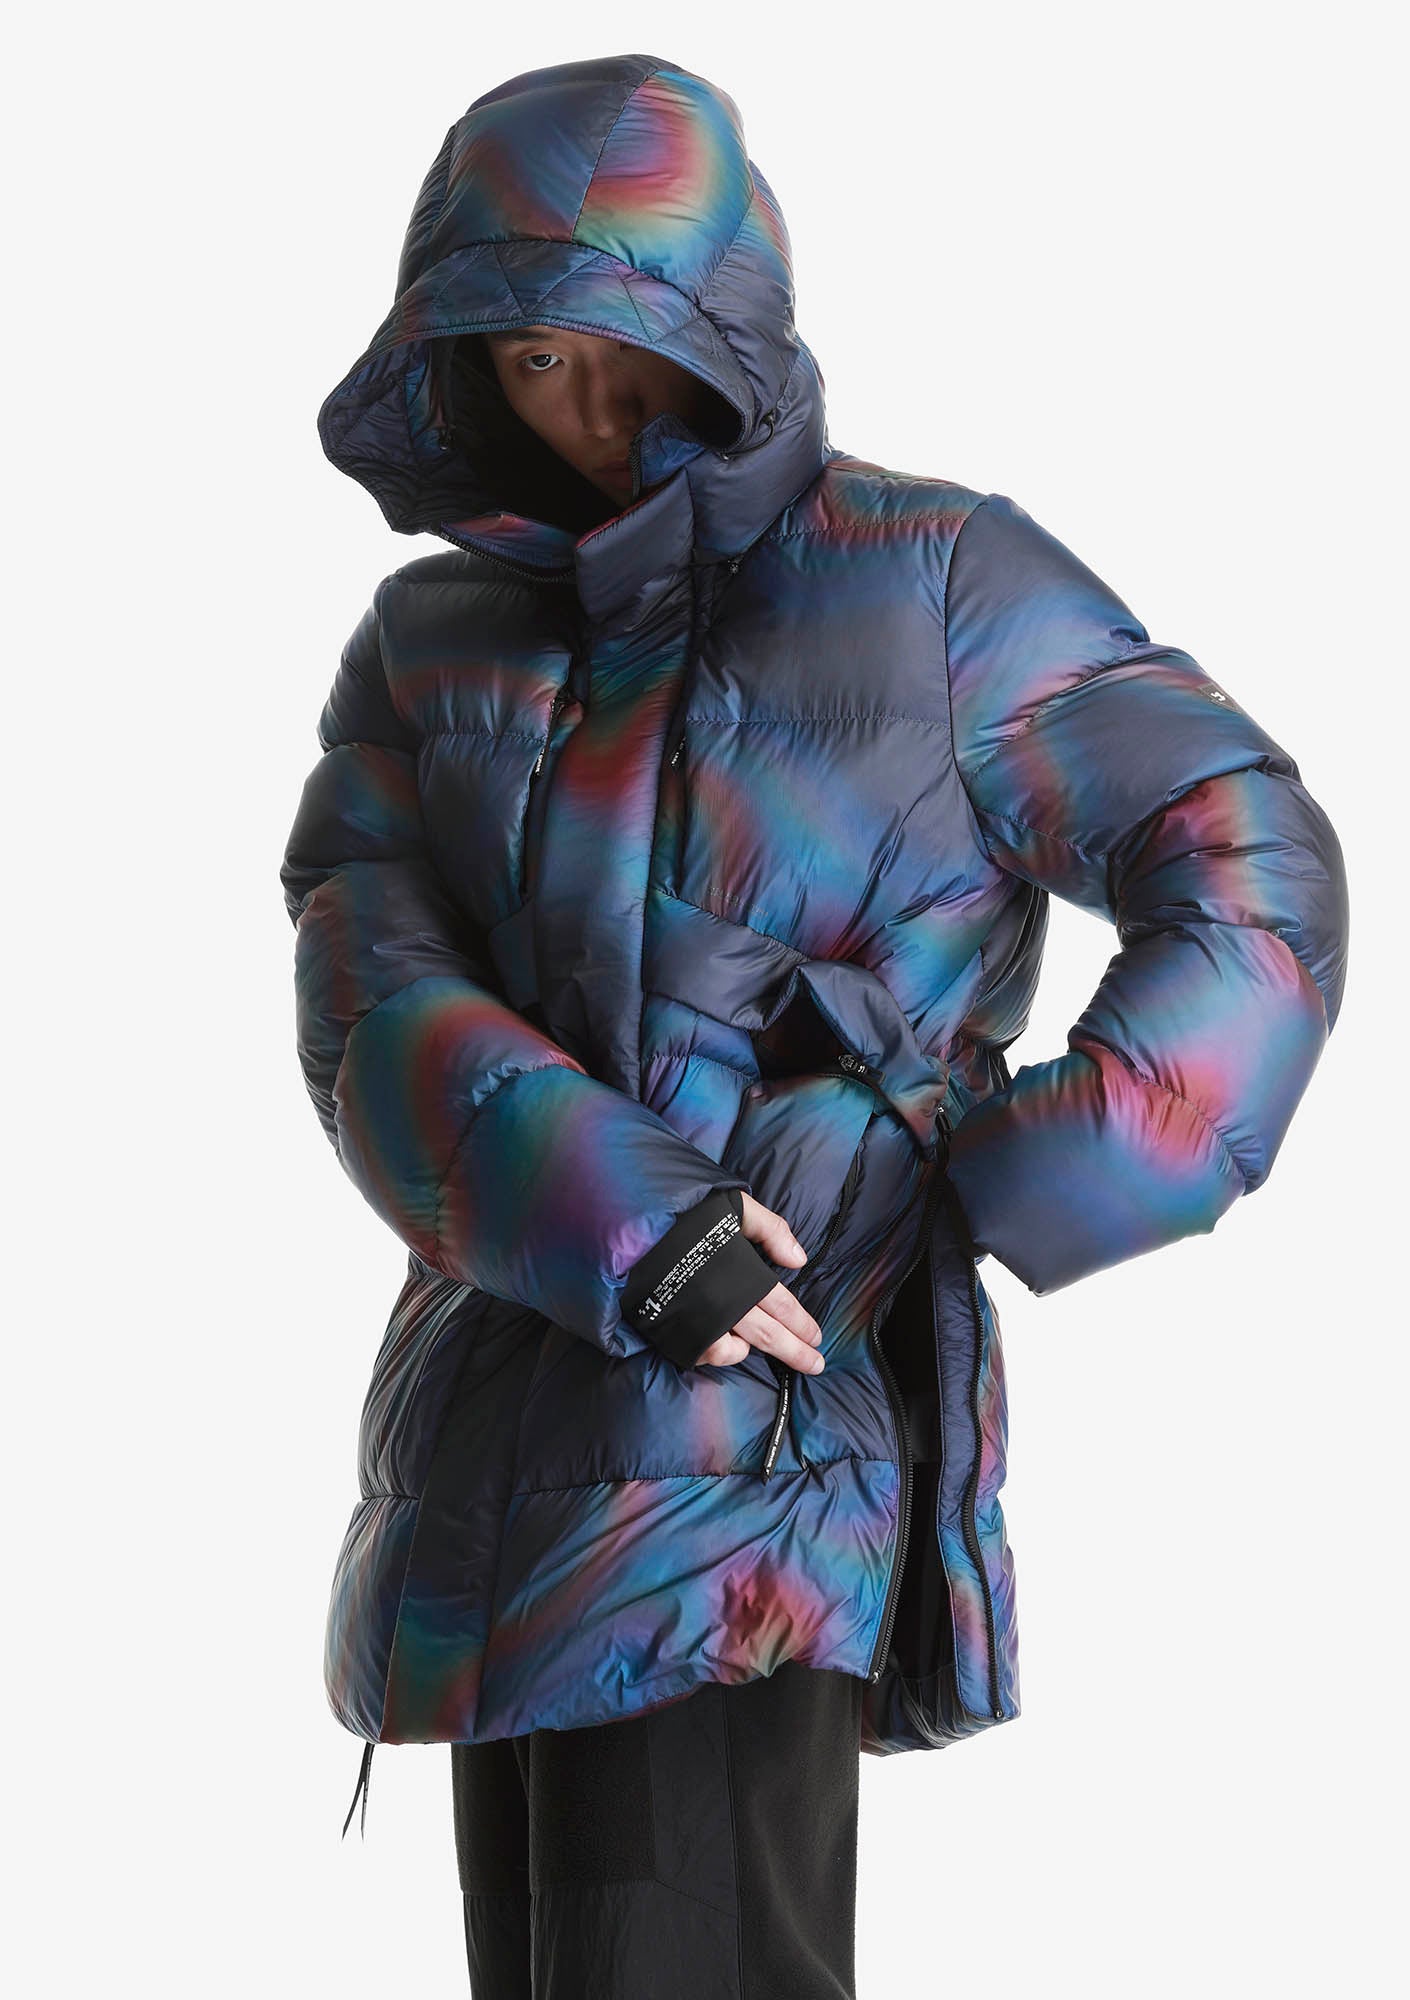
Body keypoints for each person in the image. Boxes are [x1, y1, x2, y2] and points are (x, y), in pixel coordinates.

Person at [282, 51, 1350, 2000]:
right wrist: (624, 1220)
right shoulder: (430, 648)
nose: (592, 407)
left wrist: (1012, 1173)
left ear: (733, 312)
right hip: (496, 1420)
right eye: (533, 357)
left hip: (754, 1449)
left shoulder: (934, 582)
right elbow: (368, 991)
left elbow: (1249, 866)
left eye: (630, 346)